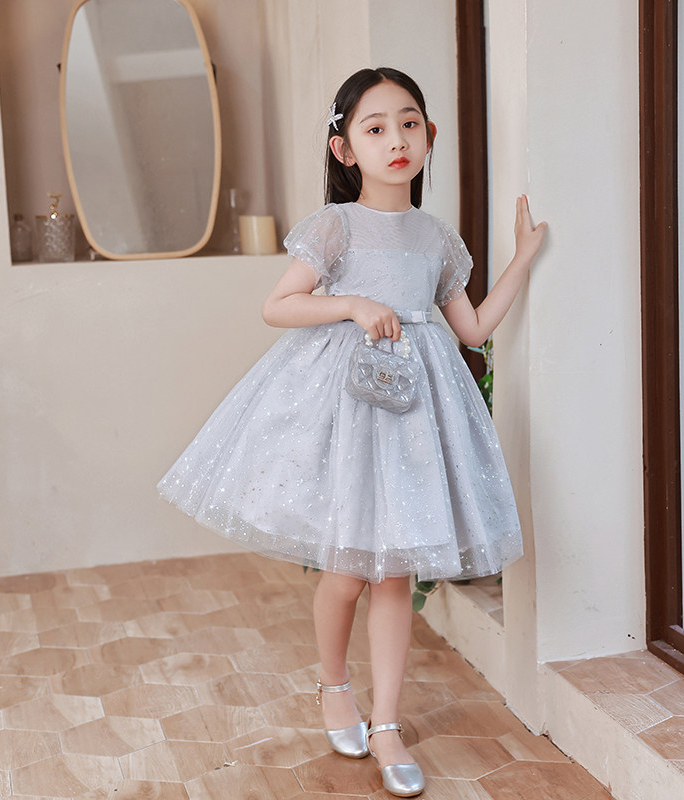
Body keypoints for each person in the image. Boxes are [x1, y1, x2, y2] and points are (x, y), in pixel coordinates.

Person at [158, 66, 546, 797]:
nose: (396, 139)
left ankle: (388, 723)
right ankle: (334, 688)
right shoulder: (335, 226)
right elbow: (279, 306)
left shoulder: (437, 239)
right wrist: (353, 304)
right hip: (350, 411)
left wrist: (523, 258)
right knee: (345, 573)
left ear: (429, 136)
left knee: (394, 573)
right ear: (345, 149)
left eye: (409, 123)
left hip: (414, 417)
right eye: (375, 128)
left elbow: (471, 330)